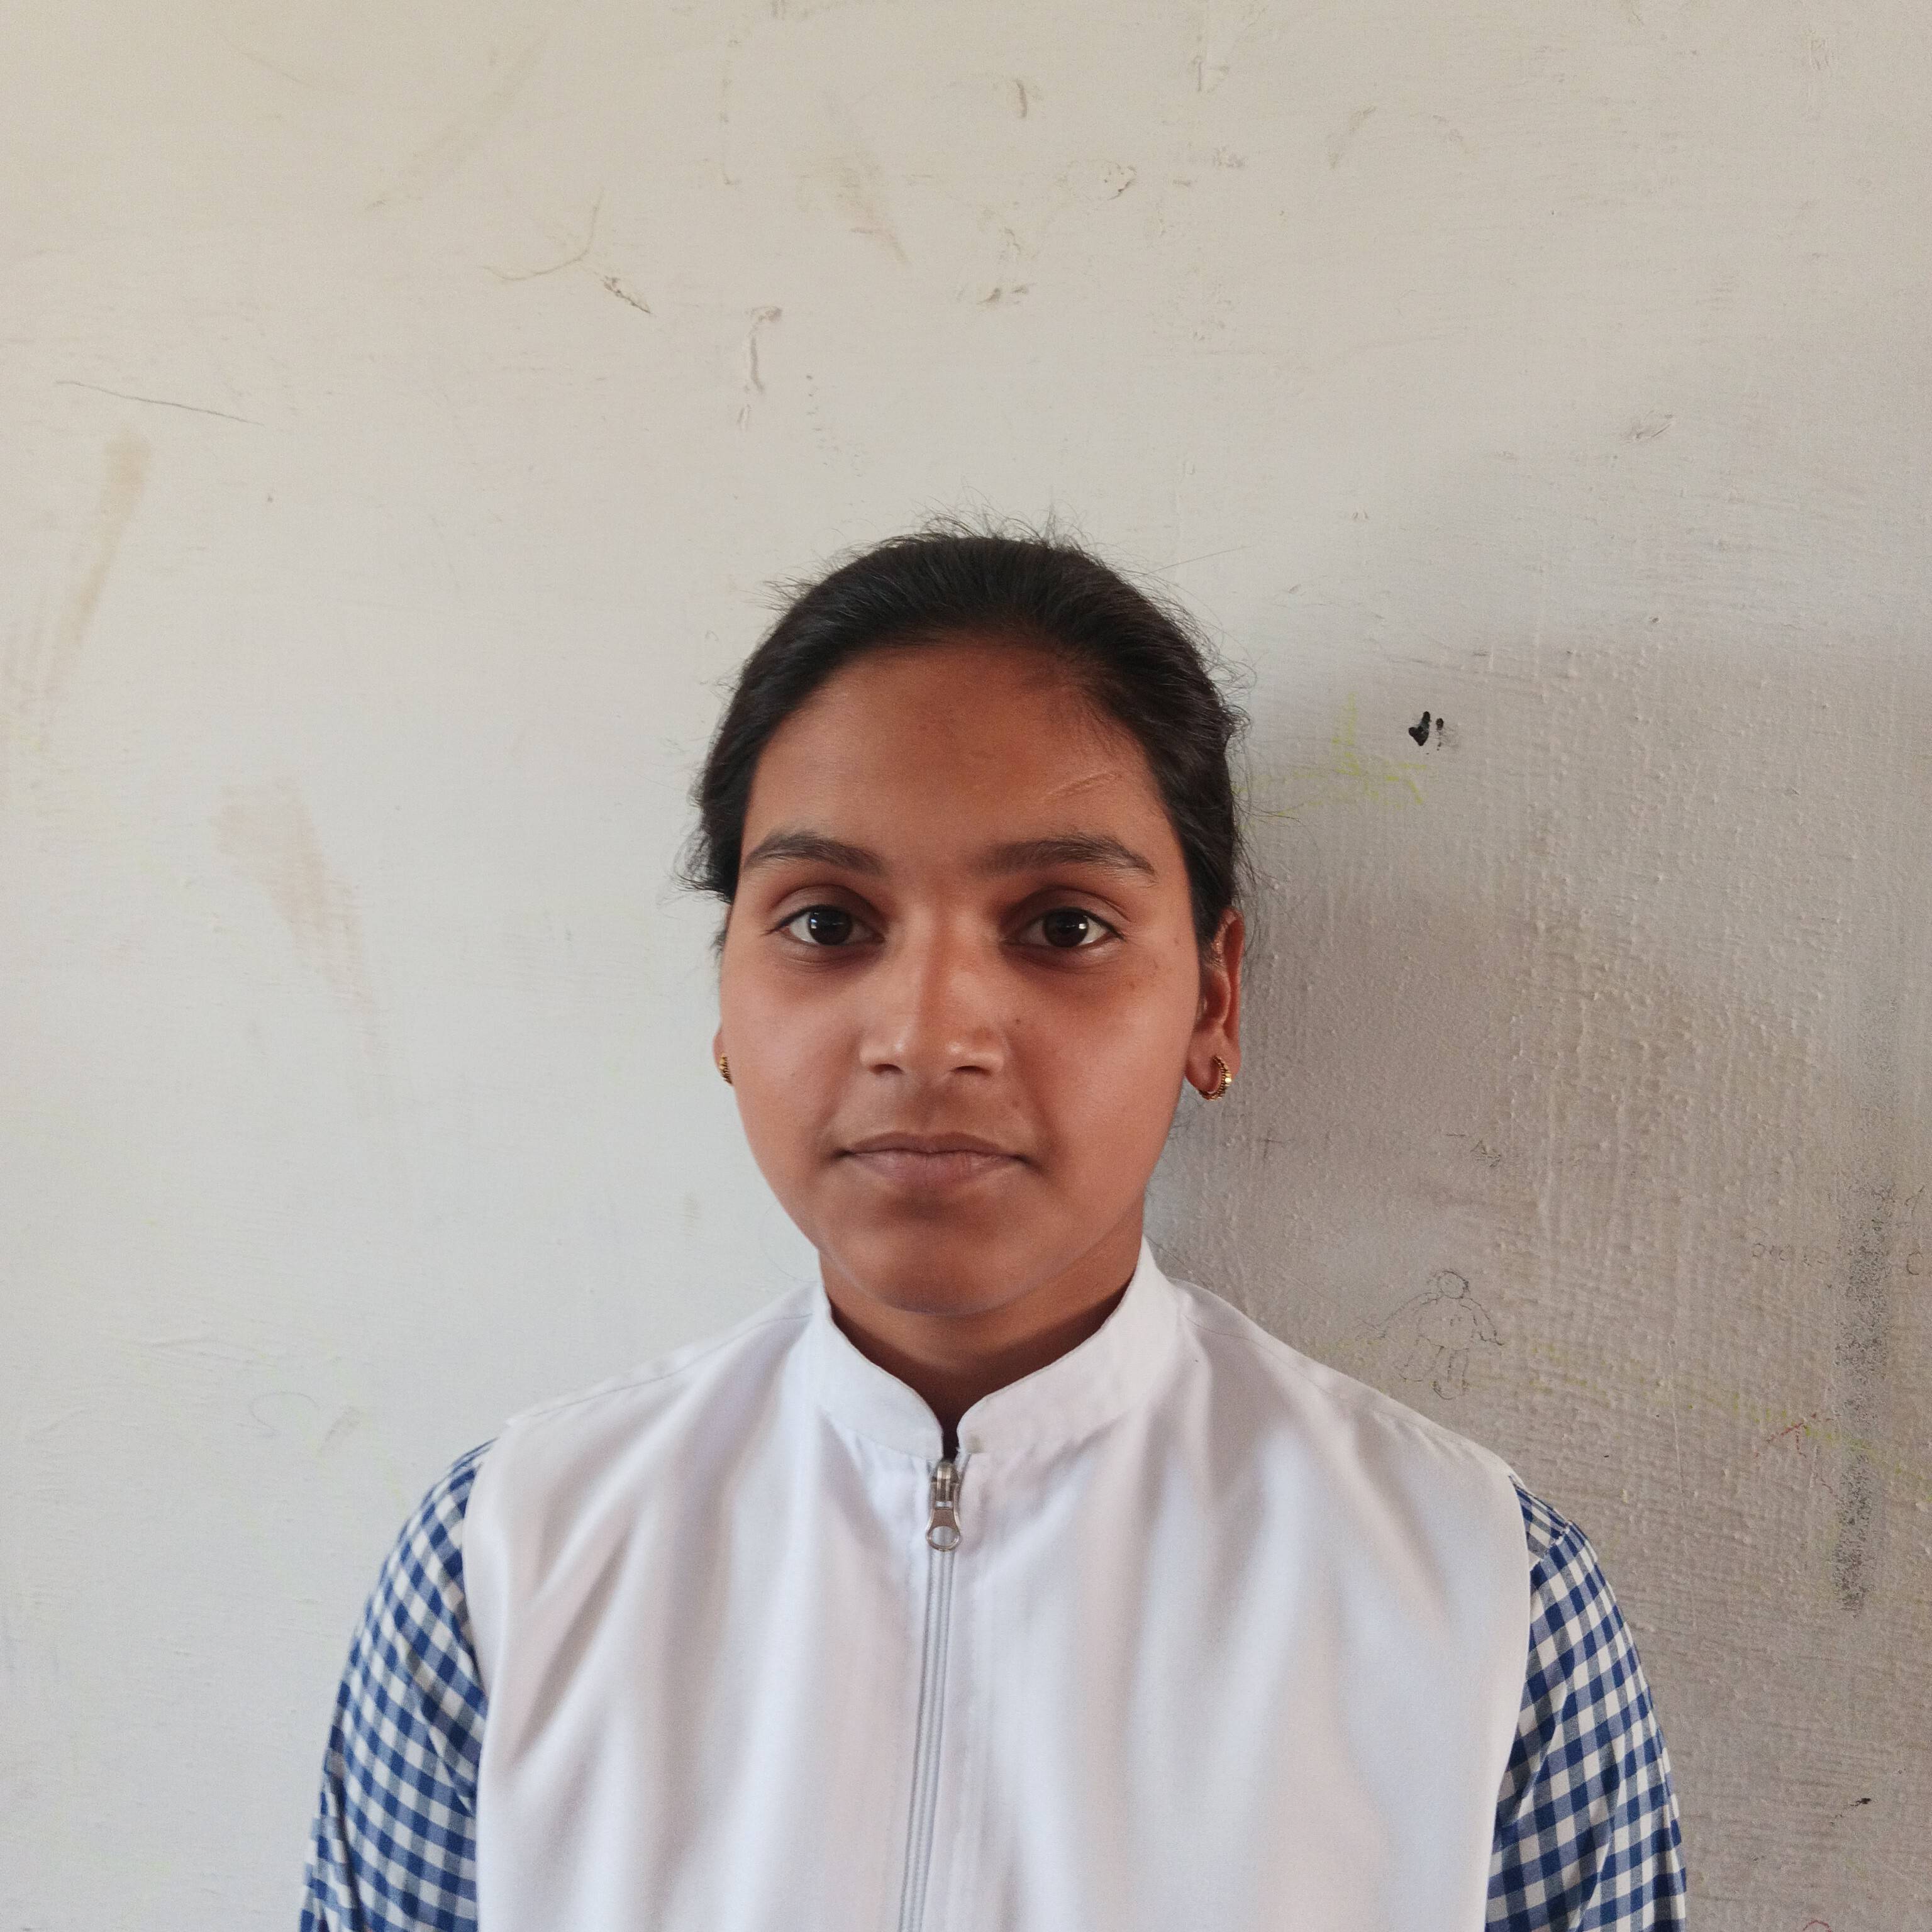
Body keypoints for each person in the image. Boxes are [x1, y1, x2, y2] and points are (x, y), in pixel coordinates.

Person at [299, 526, 1686, 1930]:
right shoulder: (509, 1568)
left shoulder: (1483, 1603)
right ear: (725, 997)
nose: (927, 1034)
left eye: (1064, 926)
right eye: (828, 923)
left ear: (1213, 999)